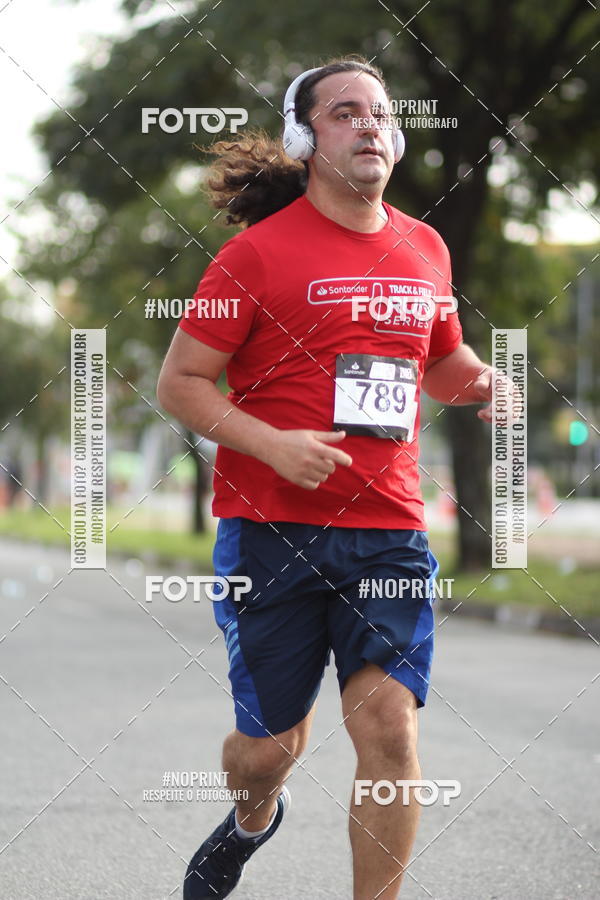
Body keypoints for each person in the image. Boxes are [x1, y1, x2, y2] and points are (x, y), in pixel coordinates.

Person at [157, 55, 495, 900]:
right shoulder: (253, 257)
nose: (370, 125)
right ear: (308, 139)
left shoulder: (426, 246)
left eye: (380, 112)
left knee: (388, 726)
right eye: (346, 113)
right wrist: (272, 445)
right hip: (268, 529)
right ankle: (250, 817)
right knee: (270, 749)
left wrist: (485, 383)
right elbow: (182, 384)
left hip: (387, 530)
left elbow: (442, 363)